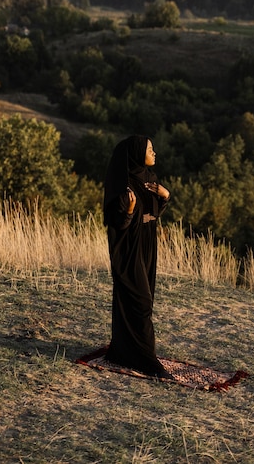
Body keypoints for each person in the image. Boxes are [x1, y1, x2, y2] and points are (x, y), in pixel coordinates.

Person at [103, 134, 173, 379]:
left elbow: (153, 214)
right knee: (140, 301)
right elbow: (117, 224)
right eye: (150, 149)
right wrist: (129, 210)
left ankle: (124, 352)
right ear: (136, 152)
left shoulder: (149, 179)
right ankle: (147, 361)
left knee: (145, 300)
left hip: (147, 245)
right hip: (129, 248)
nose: (154, 153)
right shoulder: (123, 184)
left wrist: (165, 197)